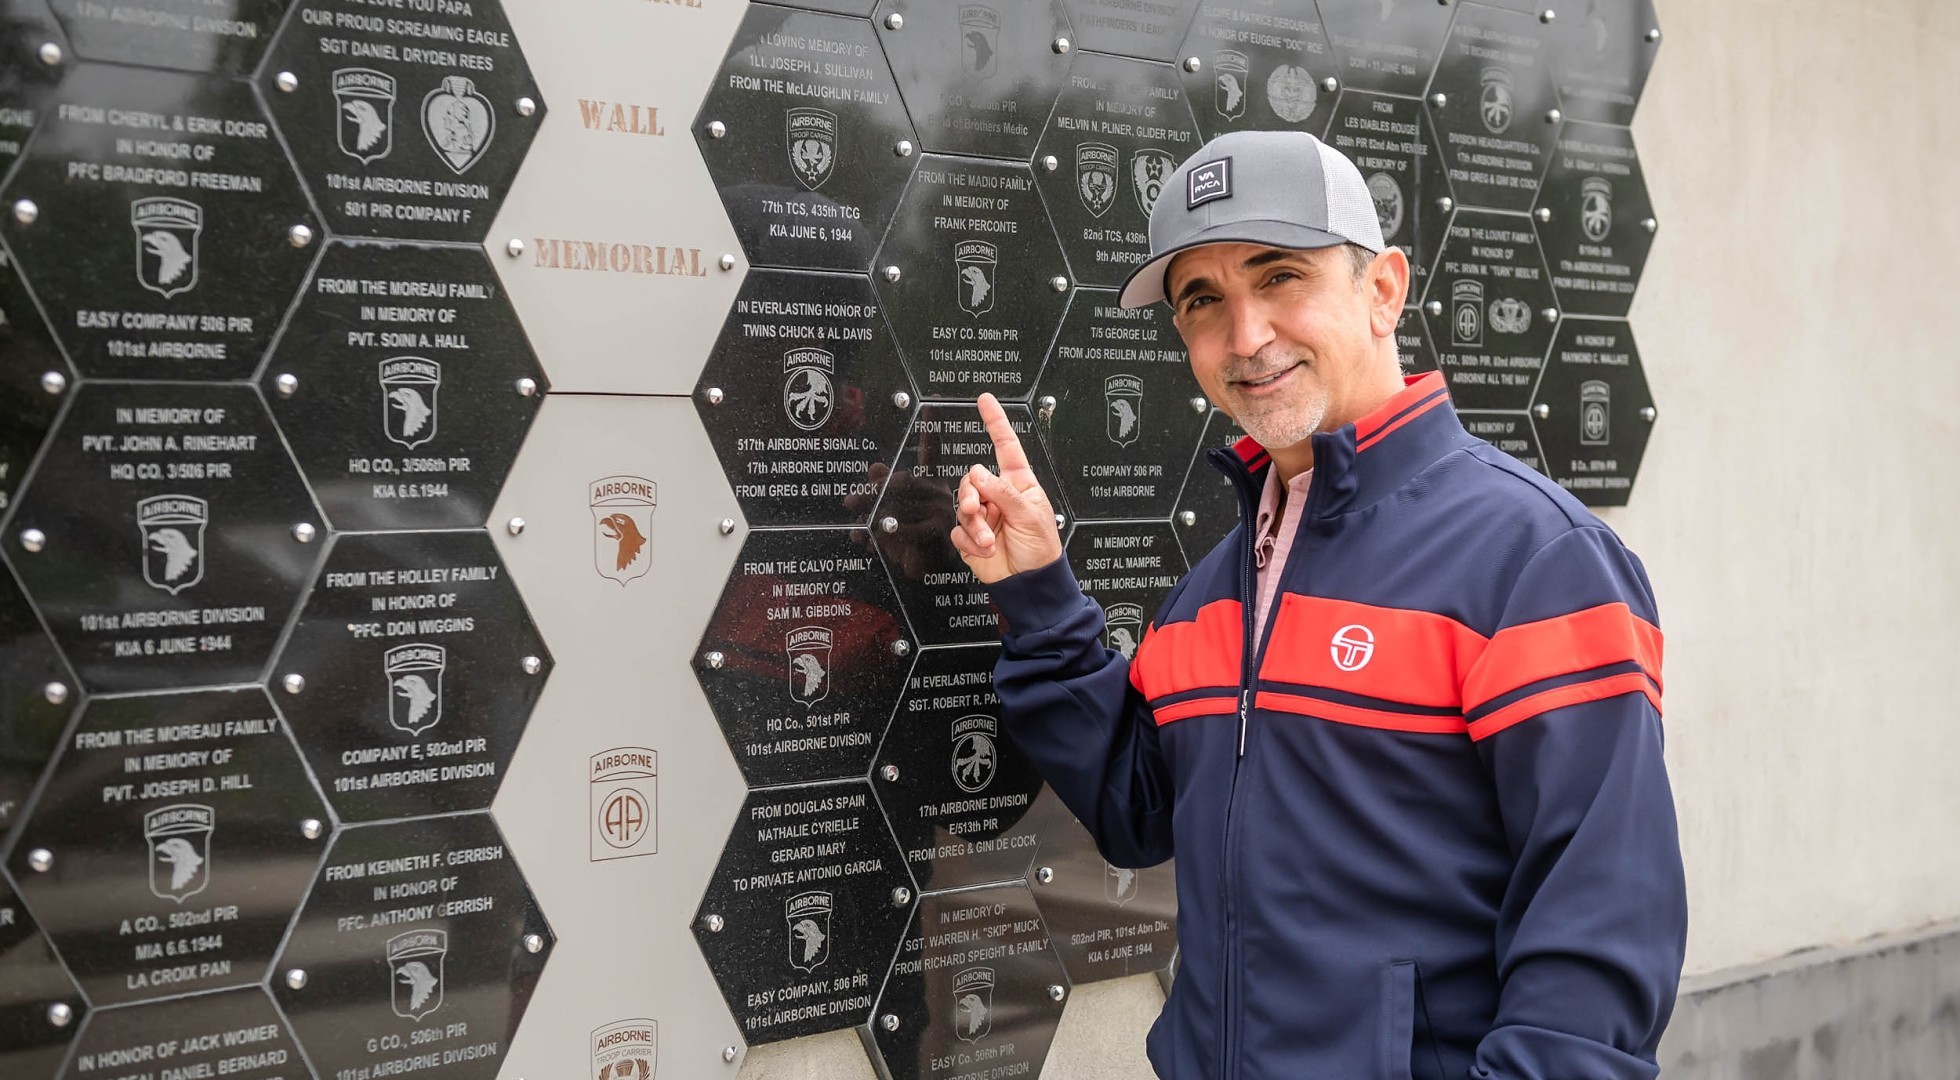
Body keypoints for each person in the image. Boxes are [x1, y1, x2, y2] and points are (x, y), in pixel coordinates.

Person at [949, 130, 1686, 1079]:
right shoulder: (1216, 588)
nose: (1246, 337)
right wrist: (1039, 593)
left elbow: (1599, 930)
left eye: (1281, 276)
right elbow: (1136, 810)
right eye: (1203, 301)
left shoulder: (1539, 562)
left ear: (1383, 290)